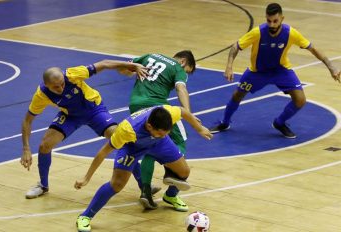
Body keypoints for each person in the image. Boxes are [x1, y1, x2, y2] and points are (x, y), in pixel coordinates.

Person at [20, 59, 148, 199]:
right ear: (46, 85)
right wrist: (26, 148)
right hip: (71, 116)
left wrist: (131, 65)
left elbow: (104, 64)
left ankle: (144, 186)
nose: (61, 88)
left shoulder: (72, 74)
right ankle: (43, 185)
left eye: (62, 84)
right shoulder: (41, 95)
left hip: (94, 110)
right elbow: (27, 120)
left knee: (121, 139)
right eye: (56, 87)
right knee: (44, 145)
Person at [209, 3, 341, 138]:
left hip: (281, 70)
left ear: (282, 19)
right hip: (258, 72)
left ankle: (279, 123)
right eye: (269, 21)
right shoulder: (258, 32)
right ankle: (224, 122)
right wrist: (229, 66)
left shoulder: (290, 33)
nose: (272, 25)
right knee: (237, 95)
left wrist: (331, 67)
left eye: (275, 21)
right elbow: (235, 47)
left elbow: (312, 48)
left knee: (300, 100)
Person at [74, 105, 212, 232]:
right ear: (149, 126)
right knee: (117, 184)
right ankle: (85, 216)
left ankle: (170, 196)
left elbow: (183, 111)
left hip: (159, 144)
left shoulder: (168, 114)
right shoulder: (127, 130)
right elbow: (103, 152)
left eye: (166, 132)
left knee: (184, 172)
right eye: (161, 133)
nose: (164, 134)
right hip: (131, 147)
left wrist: (199, 128)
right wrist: (87, 177)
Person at [129, 51, 196, 212]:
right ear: (183, 61)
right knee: (180, 140)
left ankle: (145, 192)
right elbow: (181, 89)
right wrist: (187, 113)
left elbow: (124, 68)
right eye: (187, 70)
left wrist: (134, 68)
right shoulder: (177, 68)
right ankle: (171, 185)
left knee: (149, 149)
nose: (185, 73)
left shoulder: (149, 55)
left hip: (135, 105)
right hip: (157, 105)